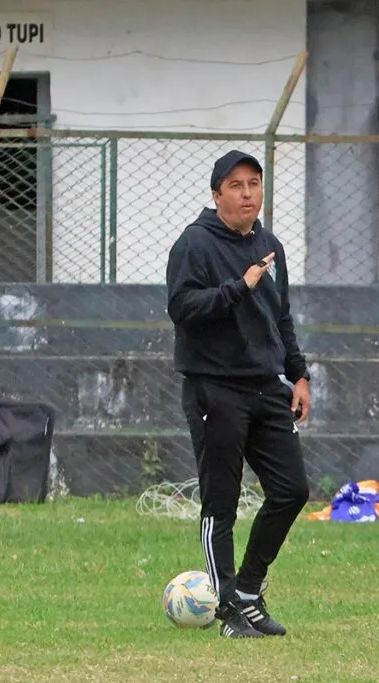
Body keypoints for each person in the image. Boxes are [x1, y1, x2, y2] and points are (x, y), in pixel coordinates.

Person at [165, 150, 311, 638]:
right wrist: (237, 288)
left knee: (292, 490)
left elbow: (281, 317)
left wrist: (299, 375)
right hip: (215, 389)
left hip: (267, 387)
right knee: (221, 503)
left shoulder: (270, 245)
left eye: (254, 183)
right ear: (216, 193)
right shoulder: (195, 244)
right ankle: (226, 608)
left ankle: (248, 589)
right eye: (236, 185)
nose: (248, 193)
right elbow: (182, 308)